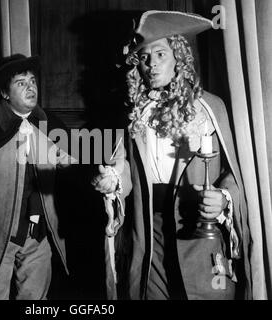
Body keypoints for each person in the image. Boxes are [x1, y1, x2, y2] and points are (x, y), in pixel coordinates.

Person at [92, 11, 251, 300]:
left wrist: (223, 199)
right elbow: (125, 169)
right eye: (143, 57)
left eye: (160, 54)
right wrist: (113, 180)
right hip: (149, 231)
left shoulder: (210, 108)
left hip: (199, 229)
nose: (151, 64)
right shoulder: (134, 115)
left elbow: (234, 173)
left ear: (178, 56)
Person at [0, 54, 74, 300]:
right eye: (21, 83)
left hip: (39, 237)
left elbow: (73, 168)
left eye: (32, 81)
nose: (30, 86)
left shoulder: (50, 123)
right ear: (4, 93)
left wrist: (70, 163)